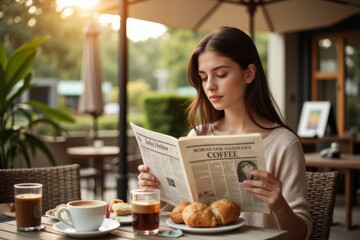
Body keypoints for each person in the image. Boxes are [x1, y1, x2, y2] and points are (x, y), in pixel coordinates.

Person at [137, 26, 312, 240]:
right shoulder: (196, 137)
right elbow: (175, 219)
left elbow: (301, 235)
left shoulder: (283, 144)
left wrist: (279, 205)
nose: (210, 86)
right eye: (203, 77)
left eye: (220, 74)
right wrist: (158, 191)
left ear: (249, 73)